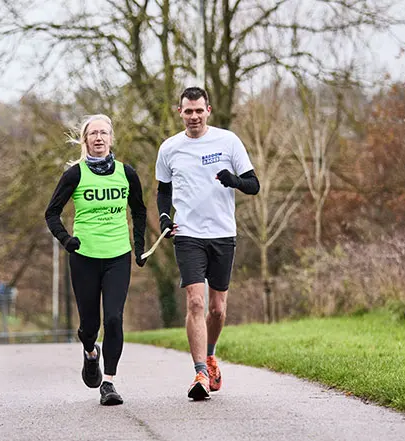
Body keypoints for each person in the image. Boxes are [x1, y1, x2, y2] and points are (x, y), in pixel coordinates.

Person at [155, 87, 259, 400]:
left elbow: (253, 185)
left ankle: (211, 355)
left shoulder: (228, 141)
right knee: (196, 303)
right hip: (187, 235)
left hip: (223, 234)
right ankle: (200, 372)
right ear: (180, 112)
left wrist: (234, 181)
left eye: (199, 110)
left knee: (217, 309)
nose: (194, 116)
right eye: (188, 111)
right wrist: (163, 216)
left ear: (208, 110)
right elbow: (163, 190)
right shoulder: (170, 148)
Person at [45, 114, 148, 406]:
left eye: (104, 133)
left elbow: (139, 211)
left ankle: (109, 383)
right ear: (85, 140)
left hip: (118, 255)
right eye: (93, 134)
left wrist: (138, 247)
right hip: (85, 257)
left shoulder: (126, 173)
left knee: (114, 318)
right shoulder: (74, 175)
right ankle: (91, 352)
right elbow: (51, 213)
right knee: (90, 325)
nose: (99, 138)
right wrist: (67, 240)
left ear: (111, 139)